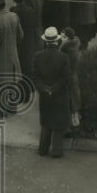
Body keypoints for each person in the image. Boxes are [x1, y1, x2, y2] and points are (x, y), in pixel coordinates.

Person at [33, 27, 71, 158]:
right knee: (58, 123)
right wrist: (54, 88)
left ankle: (42, 148)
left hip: (44, 94)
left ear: (45, 41)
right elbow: (66, 78)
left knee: (46, 121)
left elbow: (35, 76)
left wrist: (43, 89)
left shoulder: (38, 57)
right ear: (57, 41)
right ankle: (56, 150)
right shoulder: (63, 57)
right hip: (58, 94)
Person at [0, 0, 22, 117]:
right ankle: (12, 107)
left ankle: (1, 110)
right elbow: (20, 35)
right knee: (12, 80)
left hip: (2, 56)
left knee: (1, 83)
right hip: (13, 53)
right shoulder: (14, 16)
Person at [11, 0, 39, 106]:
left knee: (17, 70)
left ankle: (19, 95)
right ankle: (27, 94)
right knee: (27, 69)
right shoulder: (31, 11)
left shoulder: (13, 12)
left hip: (18, 44)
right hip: (30, 42)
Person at [60, 26, 82, 129]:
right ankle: (75, 114)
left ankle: (73, 118)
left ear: (68, 38)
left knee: (70, 98)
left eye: (63, 37)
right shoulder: (74, 47)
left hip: (67, 77)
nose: (61, 38)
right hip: (73, 76)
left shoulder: (67, 50)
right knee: (74, 96)